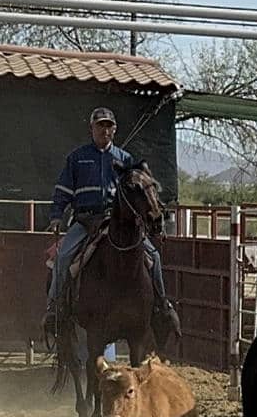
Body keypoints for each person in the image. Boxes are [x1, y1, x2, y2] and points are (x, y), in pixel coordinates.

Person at [41, 108, 176, 340]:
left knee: (154, 259)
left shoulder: (125, 159)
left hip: (118, 222)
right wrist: (56, 215)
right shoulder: (77, 158)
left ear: (114, 129)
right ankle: (55, 309)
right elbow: (63, 190)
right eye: (100, 125)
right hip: (85, 220)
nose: (105, 130)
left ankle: (161, 308)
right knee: (63, 258)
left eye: (108, 126)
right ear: (91, 129)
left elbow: (140, 192)